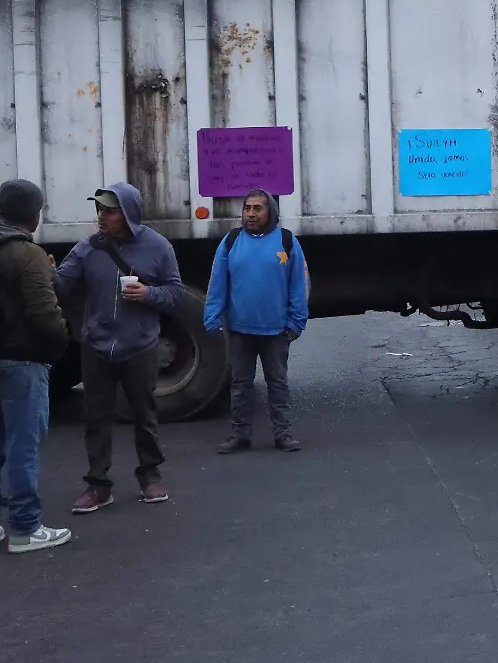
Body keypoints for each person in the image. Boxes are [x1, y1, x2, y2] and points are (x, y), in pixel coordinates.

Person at [0, 179, 73, 554]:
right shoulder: (26, 253)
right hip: (22, 360)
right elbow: (44, 313)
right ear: (33, 213)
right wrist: (61, 341)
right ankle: (25, 527)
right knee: (23, 445)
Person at [55, 183, 183, 511]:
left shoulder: (158, 247)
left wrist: (148, 294)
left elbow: (176, 294)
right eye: (98, 210)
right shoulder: (87, 248)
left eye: (109, 211)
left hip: (139, 345)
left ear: (128, 214)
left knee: (144, 414)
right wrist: (45, 272)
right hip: (95, 345)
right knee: (96, 417)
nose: (101, 217)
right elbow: (61, 287)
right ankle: (98, 485)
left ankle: (150, 476)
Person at [205, 189, 309, 454]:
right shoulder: (231, 241)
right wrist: (212, 316)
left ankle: (283, 434)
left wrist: (297, 322)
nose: (251, 214)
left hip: (276, 331)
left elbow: (299, 284)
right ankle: (240, 435)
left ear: (270, 212)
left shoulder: (286, 241)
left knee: (278, 384)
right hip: (239, 330)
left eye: (258, 209)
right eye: (247, 208)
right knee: (240, 385)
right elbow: (217, 282)